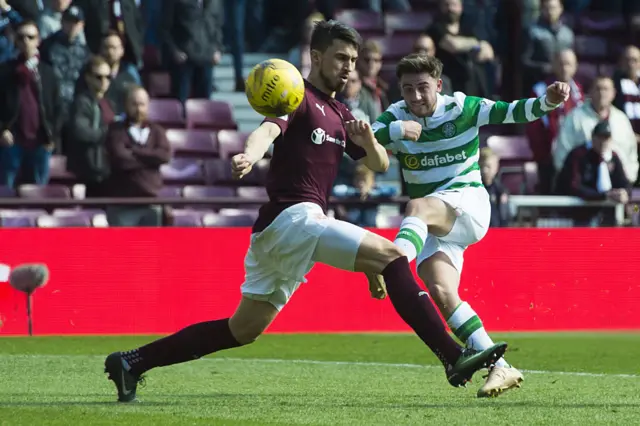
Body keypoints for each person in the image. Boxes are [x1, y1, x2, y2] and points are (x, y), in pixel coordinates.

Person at [104, 20, 507, 403]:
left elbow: (380, 164)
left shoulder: (342, 113)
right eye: (340, 58)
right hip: (292, 217)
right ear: (316, 56)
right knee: (393, 255)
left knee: (242, 329)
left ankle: (132, 362)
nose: (348, 67)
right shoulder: (295, 95)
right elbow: (267, 130)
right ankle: (453, 358)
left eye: (353, 60)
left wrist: (371, 140)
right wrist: (249, 153)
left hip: (281, 233)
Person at [370, 53, 570, 397]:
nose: (416, 97)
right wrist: (394, 130)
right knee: (442, 292)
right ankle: (501, 368)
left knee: (416, 205)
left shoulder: (464, 108)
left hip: (468, 204)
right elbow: (362, 142)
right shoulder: (397, 115)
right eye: (408, 90)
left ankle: (390, 262)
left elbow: (513, 111)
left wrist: (547, 101)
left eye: (423, 88)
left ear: (439, 85)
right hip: (433, 224)